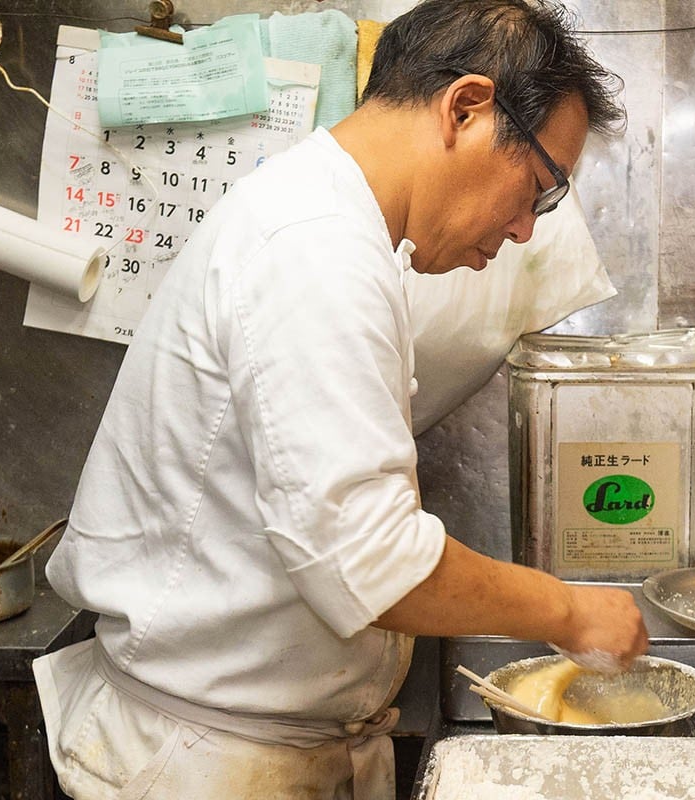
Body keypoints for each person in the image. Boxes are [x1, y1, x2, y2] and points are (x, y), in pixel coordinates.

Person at [32, 0, 649, 798]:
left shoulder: (335, 230)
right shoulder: (314, 249)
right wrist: (567, 611)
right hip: (202, 761)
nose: (527, 229)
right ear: (465, 108)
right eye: (538, 187)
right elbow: (372, 562)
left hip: (250, 744)